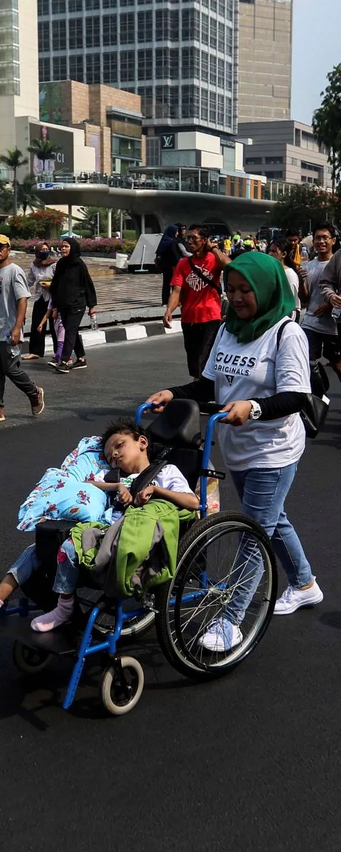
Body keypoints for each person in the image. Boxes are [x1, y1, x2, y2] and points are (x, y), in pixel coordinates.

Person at [147, 252, 323, 652]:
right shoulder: (229, 328)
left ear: (266, 288)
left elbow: (297, 396)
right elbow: (209, 386)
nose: (238, 297)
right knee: (271, 521)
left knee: (251, 534)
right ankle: (305, 584)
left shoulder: (286, 332)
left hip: (273, 450)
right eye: (231, 289)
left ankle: (231, 620)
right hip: (235, 447)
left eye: (246, 290)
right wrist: (173, 393)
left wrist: (254, 407)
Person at [0, 417, 199, 632]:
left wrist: (156, 490)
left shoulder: (166, 473)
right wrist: (117, 485)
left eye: (120, 446)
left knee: (66, 548)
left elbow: (192, 502)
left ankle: (64, 609)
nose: (116, 455)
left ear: (142, 442)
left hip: (132, 539)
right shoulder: (114, 476)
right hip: (104, 531)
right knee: (38, 549)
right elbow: (87, 484)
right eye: (110, 457)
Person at [0, 234, 45, 423]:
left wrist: (17, 327)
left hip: (7, 330)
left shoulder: (15, 271)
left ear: (8, 249)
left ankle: (33, 392)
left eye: (1, 247)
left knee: (10, 368)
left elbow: (22, 299)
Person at [164, 224, 231, 379]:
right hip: (189, 318)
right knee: (194, 360)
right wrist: (169, 310)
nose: (189, 241)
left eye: (194, 238)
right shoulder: (183, 264)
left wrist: (213, 248)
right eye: (188, 238)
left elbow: (229, 265)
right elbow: (177, 291)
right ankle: (200, 386)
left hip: (210, 317)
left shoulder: (214, 259)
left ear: (204, 240)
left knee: (204, 357)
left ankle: (199, 392)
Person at [299, 223, 341, 380]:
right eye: (317, 238)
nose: (321, 242)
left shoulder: (337, 263)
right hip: (311, 323)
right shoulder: (309, 266)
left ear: (333, 241)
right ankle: (316, 400)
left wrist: (330, 303)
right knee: (306, 364)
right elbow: (305, 299)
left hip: (334, 326)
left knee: (337, 364)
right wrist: (301, 281)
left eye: (325, 238)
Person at [50, 238, 97, 374]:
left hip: (77, 304)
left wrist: (92, 305)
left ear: (73, 248)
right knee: (72, 331)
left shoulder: (79, 264)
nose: (63, 249)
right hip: (63, 304)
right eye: (62, 247)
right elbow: (56, 285)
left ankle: (65, 361)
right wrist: (55, 305)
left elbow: (88, 284)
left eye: (66, 246)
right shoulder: (61, 264)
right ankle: (81, 358)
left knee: (70, 330)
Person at [22, 241, 57, 361]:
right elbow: (30, 281)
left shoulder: (54, 264)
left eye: (46, 249)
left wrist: (50, 285)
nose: (44, 251)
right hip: (39, 297)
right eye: (41, 249)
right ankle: (35, 351)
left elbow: (60, 281)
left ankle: (59, 351)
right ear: (37, 251)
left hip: (52, 298)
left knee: (54, 325)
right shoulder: (34, 265)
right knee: (37, 324)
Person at [267, 236, 301, 321]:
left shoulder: (289, 274)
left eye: (274, 251)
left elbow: (289, 301)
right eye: (269, 251)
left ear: (284, 254)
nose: (270, 254)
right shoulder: (270, 271)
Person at [156, 225, 182, 305]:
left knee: (166, 284)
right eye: (176, 231)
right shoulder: (172, 242)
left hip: (164, 266)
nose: (177, 233)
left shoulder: (164, 240)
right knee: (175, 284)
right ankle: (174, 301)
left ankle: (165, 301)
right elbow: (175, 255)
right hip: (172, 266)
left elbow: (158, 253)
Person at [36, 298, 66, 368]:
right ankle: (65, 357)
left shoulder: (64, 298)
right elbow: (47, 314)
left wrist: (56, 310)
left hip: (63, 322)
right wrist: (41, 324)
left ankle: (57, 358)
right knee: (60, 341)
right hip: (56, 323)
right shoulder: (52, 300)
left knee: (60, 342)